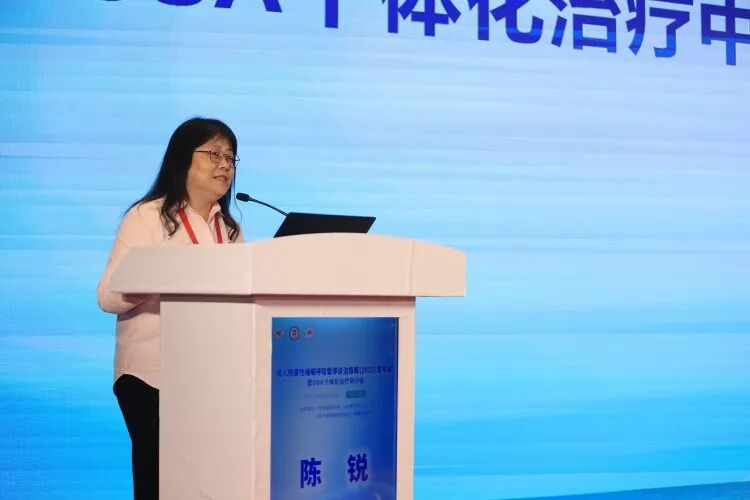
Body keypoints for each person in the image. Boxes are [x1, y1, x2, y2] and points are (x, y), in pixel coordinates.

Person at [96, 117, 244, 500]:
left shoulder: (229, 230)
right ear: (182, 159)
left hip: (209, 379)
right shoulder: (147, 217)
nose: (225, 165)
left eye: (230, 157)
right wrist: (161, 273)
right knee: (159, 484)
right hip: (150, 376)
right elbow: (107, 296)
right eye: (214, 154)